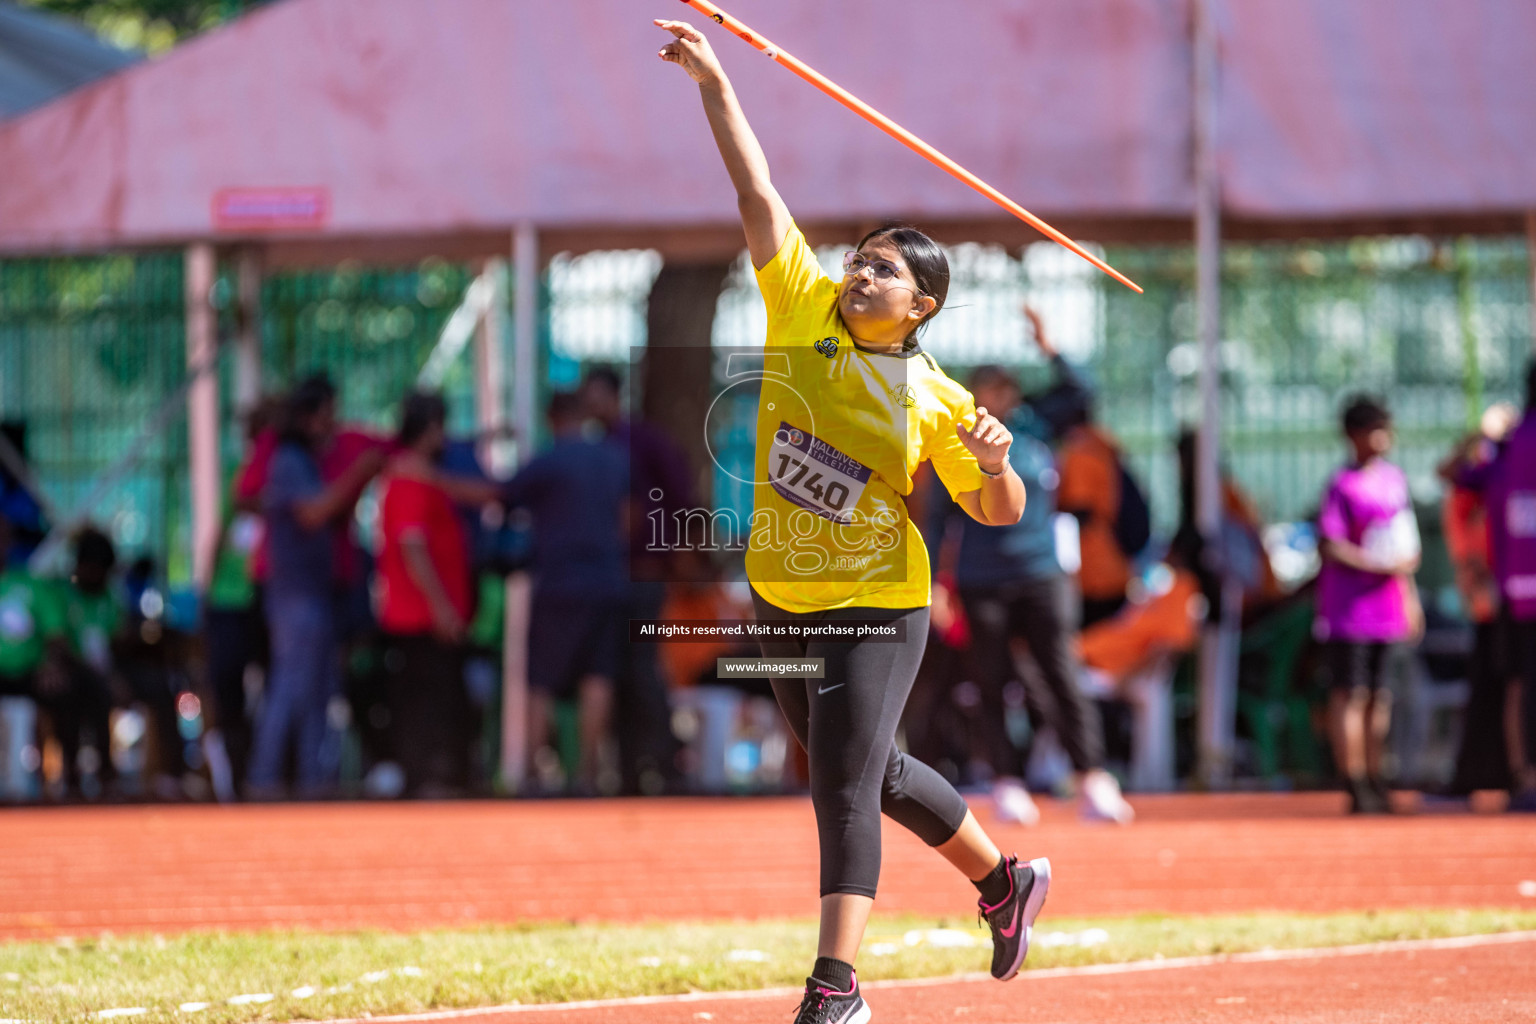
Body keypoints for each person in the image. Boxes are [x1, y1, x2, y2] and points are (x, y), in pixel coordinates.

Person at [657, 20, 1050, 1022]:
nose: (858, 273)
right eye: (859, 259)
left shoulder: (933, 396)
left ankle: (836, 987)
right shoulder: (798, 308)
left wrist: (1000, 468)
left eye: (883, 271)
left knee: (842, 781)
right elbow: (756, 190)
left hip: (880, 597)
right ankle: (1004, 883)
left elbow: (995, 508)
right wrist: (714, 81)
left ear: (919, 306)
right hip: (783, 591)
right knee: (876, 774)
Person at [934, 322, 1134, 826]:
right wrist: (937, 583)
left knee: (1061, 674)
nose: (996, 397)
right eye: (986, 388)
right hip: (982, 579)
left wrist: (1051, 346)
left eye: (1004, 387)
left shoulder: (1038, 426)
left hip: (1042, 574)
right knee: (991, 680)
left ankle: (1093, 778)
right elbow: (938, 516)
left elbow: (1083, 391)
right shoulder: (956, 439)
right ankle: (1006, 782)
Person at [248, 377, 385, 798]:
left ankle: (313, 782)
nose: (333, 423)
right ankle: (264, 779)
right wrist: (358, 475)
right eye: (327, 414)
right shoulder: (289, 460)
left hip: (316, 592)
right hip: (295, 595)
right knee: (291, 686)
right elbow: (313, 512)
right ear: (308, 418)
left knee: (318, 690)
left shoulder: (307, 460)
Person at [504, 391, 629, 795]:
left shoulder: (549, 461)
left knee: (541, 677)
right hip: (607, 583)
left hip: (559, 585)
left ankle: (530, 773)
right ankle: (590, 773)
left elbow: (499, 495)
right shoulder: (613, 459)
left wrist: (433, 478)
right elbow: (631, 517)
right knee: (598, 676)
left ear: (553, 417)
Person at [580, 365, 694, 795]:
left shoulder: (643, 440)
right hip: (608, 579)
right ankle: (629, 769)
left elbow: (681, 496)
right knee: (620, 673)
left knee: (644, 671)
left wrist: (672, 555)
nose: (592, 405)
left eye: (597, 395)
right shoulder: (597, 447)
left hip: (643, 575)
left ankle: (664, 763)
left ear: (613, 396)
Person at [376, 391, 489, 797]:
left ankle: (434, 778)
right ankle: (427, 780)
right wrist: (441, 607)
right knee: (429, 707)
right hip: (419, 617)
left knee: (441, 702)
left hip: (428, 615)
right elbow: (413, 546)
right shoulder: (408, 478)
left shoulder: (424, 475)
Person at [1314, 395, 1422, 815]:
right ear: (1352, 436)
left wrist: (1408, 595)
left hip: (1387, 609)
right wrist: (1374, 563)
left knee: (1381, 695)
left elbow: (1406, 546)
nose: (1380, 438)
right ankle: (1354, 780)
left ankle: (1378, 775)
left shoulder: (1395, 480)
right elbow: (1330, 544)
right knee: (1350, 694)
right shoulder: (1342, 485)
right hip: (1349, 610)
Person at [1453, 362, 1536, 812]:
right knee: (1518, 685)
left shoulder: (1507, 446)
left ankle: (1525, 776)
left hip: (1516, 593)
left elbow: (1455, 472)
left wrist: (1482, 436)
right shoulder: (1508, 446)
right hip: (1519, 593)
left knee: (1519, 685)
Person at [1437, 404, 1519, 797]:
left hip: (1510, 597)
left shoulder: (1507, 472)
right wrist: (1481, 432)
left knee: (1505, 689)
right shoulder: (1474, 483)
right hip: (1490, 599)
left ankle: (1502, 771)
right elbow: (1449, 469)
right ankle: (1481, 773)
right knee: (1490, 689)